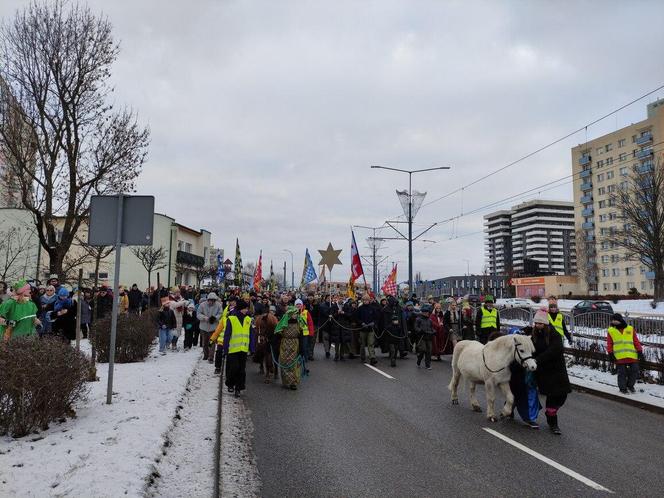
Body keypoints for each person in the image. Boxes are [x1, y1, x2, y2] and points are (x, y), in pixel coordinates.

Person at [529, 309, 570, 435]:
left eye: (540, 323)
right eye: (536, 323)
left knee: (562, 395)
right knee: (552, 396)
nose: (537, 326)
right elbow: (531, 349)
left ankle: (550, 412)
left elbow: (555, 350)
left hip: (557, 370)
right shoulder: (534, 335)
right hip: (544, 371)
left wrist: (537, 359)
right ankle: (553, 423)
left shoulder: (554, 335)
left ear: (545, 324)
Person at [217, 300, 254, 397]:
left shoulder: (248, 319)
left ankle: (238, 387)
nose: (247, 310)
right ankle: (230, 384)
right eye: (245, 308)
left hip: (243, 348)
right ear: (241, 308)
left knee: (242, 370)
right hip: (233, 349)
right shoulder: (231, 319)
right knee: (234, 367)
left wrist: (252, 348)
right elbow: (227, 335)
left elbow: (251, 335)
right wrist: (225, 348)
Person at [607, 313, 643, 394]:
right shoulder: (611, 330)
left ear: (620, 320)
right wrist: (610, 353)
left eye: (615, 320)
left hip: (631, 355)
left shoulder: (630, 329)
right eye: (612, 320)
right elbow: (609, 343)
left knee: (634, 370)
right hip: (619, 356)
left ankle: (630, 385)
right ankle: (622, 388)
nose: (613, 321)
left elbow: (635, 341)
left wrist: (639, 350)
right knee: (622, 372)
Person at [274, 306, 305, 390]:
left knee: (294, 363)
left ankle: (293, 383)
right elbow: (277, 335)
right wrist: (275, 346)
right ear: (290, 314)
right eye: (294, 314)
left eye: (296, 314)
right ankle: (286, 381)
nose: (295, 315)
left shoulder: (299, 323)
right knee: (285, 362)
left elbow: (301, 336)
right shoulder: (283, 322)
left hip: (295, 344)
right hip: (285, 344)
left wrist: (302, 348)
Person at [254, 305, 278, 383]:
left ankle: (275, 370)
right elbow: (258, 330)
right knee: (262, 351)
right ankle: (262, 365)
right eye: (270, 311)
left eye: (273, 311)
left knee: (274, 354)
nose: (272, 313)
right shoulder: (259, 320)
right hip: (264, 338)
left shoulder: (274, 320)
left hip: (272, 339)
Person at [381, 296, 407, 367]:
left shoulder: (399, 308)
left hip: (398, 330)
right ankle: (393, 359)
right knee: (392, 346)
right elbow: (384, 320)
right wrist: (387, 327)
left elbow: (402, 319)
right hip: (389, 330)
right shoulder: (386, 309)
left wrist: (402, 328)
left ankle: (394, 357)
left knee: (396, 346)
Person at [197, 292, 223, 362]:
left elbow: (220, 313)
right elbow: (198, 314)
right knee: (205, 343)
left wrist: (215, 318)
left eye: (213, 300)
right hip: (203, 327)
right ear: (208, 299)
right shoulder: (202, 305)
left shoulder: (218, 305)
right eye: (210, 300)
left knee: (212, 342)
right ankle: (206, 354)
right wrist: (205, 318)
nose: (211, 302)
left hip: (213, 327)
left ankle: (211, 357)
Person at [356, 294, 378, 365]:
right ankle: (363, 357)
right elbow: (357, 318)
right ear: (362, 301)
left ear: (369, 300)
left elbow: (376, 318)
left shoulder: (372, 308)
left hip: (370, 329)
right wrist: (361, 323)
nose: (366, 301)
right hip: (362, 329)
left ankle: (372, 358)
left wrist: (373, 323)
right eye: (364, 300)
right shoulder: (360, 309)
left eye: (367, 300)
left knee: (371, 344)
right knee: (362, 345)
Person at [414, 304, 435, 369]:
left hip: (429, 337)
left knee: (429, 351)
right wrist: (420, 331)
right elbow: (416, 327)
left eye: (427, 312)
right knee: (423, 350)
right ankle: (419, 360)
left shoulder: (430, 320)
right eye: (425, 312)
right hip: (422, 337)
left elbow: (432, 328)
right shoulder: (418, 319)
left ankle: (427, 365)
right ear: (422, 312)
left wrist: (434, 331)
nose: (427, 313)